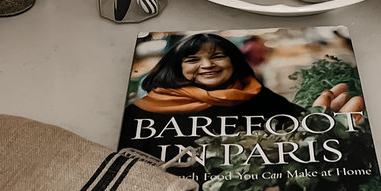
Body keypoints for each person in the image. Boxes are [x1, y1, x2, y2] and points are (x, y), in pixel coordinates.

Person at [118, 31, 365, 165]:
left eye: (217, 57)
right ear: (175, 68)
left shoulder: (254, 93)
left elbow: (297, 124)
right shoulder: (144, 110)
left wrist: (325, 125)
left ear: (234, 61)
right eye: (193, 60)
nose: (207, 65)